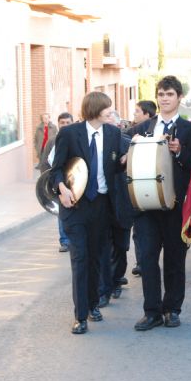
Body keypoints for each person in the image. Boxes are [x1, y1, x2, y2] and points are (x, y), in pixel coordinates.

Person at [51, 91, 128, 334]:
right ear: (95, 109)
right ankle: (80, 315)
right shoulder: (69, 134)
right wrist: (62, 188)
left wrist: (125, 159)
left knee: (97, 258)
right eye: (107, 108)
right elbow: (56, 170)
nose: (110, 111)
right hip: (75, 206)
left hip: (102, 206)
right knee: (80, 258)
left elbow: (114, 166)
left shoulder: (114, 133)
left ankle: (94, 304)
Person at [130, 75, 191, 331]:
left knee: (174, 260)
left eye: (169, 94)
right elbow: (123, 156)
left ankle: (172, 309)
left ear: (179, 98)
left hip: (176, 206)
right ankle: (152, 311)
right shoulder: (141, 129)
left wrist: (180, 151)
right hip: (146, 207)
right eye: (161, 94)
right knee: (147, 259)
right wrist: (129, 149)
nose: (164, 99)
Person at [98, 110, 134, 307]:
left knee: (120, 247)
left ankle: (117, 278)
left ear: (119, 126)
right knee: (103, 247)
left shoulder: (128, 144)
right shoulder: (96, 144)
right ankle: (104, 288)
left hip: (123, 203)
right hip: (103, 205)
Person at [129, 100, 157, 277]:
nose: (134, 116)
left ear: (147, 115)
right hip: (140, 191)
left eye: (137, 112)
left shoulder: (159, 130)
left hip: (161, 191)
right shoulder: (133, 131)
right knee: (139, 231)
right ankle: (141, 262)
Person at [43, 112, 74, 252]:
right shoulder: (52, 141)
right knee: (63, 211)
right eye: (62, 123)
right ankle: (65, 241)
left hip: (76, 180)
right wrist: (51, 183)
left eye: (68, 122)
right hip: (60, 182)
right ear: (58, 124)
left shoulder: (79, 138)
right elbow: (45, 163)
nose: (65, 125)